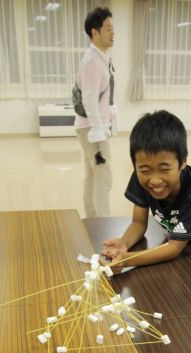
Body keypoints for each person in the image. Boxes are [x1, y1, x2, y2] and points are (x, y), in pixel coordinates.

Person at [102, 110, 191, 268]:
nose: (155, 180)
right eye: (145, 170)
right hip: (190, 224)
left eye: (164, 169)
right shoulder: (140, 178)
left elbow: (173, 249)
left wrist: (126, 259)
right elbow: (138, 223)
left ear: (183, 161)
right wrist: (124, 243)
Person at [73, 7, 115, 218]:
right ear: (95, 32)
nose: (113, 33)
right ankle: (103, 224)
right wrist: (99, 129)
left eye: (112, 28)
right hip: (92, 130)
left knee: (92, 175)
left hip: (90, 127)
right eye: (108, 28)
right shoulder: (92, 61)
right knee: (102, 177)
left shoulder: (100, 57)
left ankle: (92, 219)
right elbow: (89, 98)